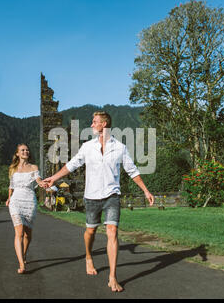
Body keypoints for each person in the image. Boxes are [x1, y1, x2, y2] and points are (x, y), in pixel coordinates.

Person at [43, 111, 154, 292]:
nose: (92, 124)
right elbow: (71, 165)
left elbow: (132, 171)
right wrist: (54, 178)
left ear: (104, 124)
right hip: (92, 196)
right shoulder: (88, 147)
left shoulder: (120, 147)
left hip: (112, 195)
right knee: (91, 231)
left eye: (94, 122)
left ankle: (112, 277)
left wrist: (146, 191)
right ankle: (88, 256)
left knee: (112, 231)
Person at [6, 143, 46, 274]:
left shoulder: (33, 167)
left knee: (28, 233)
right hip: (16, 200)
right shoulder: (12, 168)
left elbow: (38, 179)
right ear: (17, 153)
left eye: (27, 150)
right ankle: (21, 264)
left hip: (29, 200)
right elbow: (11, 185)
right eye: (22, 150)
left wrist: (41, 183)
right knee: (19, 232)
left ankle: (23, 254)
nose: (25, 151)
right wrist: (9, 197)